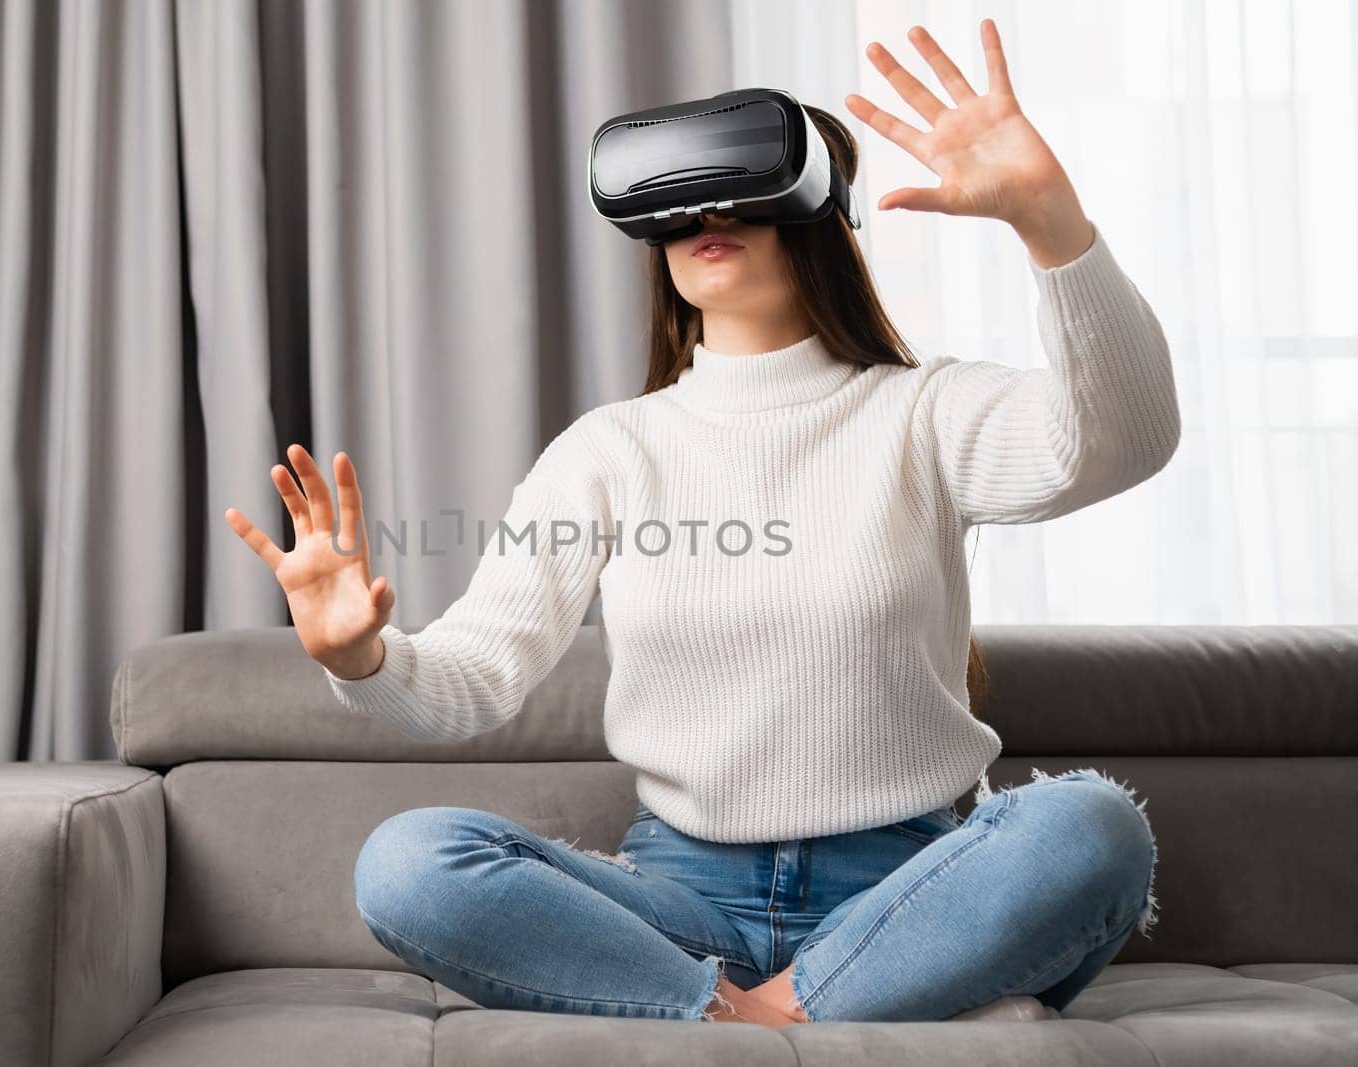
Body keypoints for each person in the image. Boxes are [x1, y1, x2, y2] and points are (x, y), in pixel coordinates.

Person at [225, 18, 1176, 1027]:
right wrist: (362, 655)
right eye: (680, 209)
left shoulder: (921, 412)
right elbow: (472, 679)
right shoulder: (608, 450)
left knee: (1092, 823)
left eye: (742, 195)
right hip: (683, 903)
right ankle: (828, 1008)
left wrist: (1051, 226)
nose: (707, 217)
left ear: (817, 217)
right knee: (410, 860)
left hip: (913, 885)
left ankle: (752, 1015)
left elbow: (1124, 435)